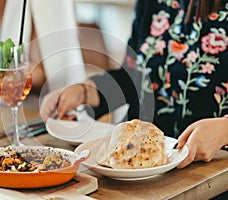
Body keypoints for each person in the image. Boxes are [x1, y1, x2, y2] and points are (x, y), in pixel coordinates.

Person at [40, 0, 228, 168]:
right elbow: (134, 75)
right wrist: (86, 91)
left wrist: (224, 130)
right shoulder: (151, 4)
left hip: (209, 171)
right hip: (135, 168)